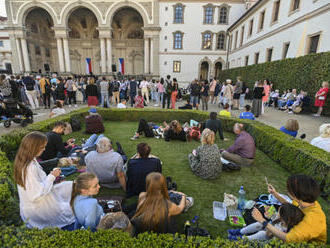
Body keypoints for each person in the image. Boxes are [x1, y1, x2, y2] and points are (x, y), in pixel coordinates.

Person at [14, 131, 75, 229]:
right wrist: (52, 176)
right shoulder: (29, 168)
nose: (44, 149)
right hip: (38, 209)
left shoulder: (27, 160)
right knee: (71, 211)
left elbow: (37, 183)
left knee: (70, 188)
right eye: (42, 147)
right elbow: (36, 194)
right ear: (33, 148)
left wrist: (52, 175)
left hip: (37, 204)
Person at [252, 175, 326, 243]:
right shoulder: (307, 201)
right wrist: (274, 193)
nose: (286, 190)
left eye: (289, 189)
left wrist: (263, 221)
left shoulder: (313, 219)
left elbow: (288, 239)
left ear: (296, 195)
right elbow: (288, 204)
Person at [228, 203, 304, 241]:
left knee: (262, 233)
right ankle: (241, 231)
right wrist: (267, 212)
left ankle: (242, 239)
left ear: (284, 218)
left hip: (269, 239)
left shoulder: (285, 231)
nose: (277, 213)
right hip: (268, 230)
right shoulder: (280, 220)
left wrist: (267, 228)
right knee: (258, 224)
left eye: (279, 213)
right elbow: (270, 217)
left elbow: (270, 235)